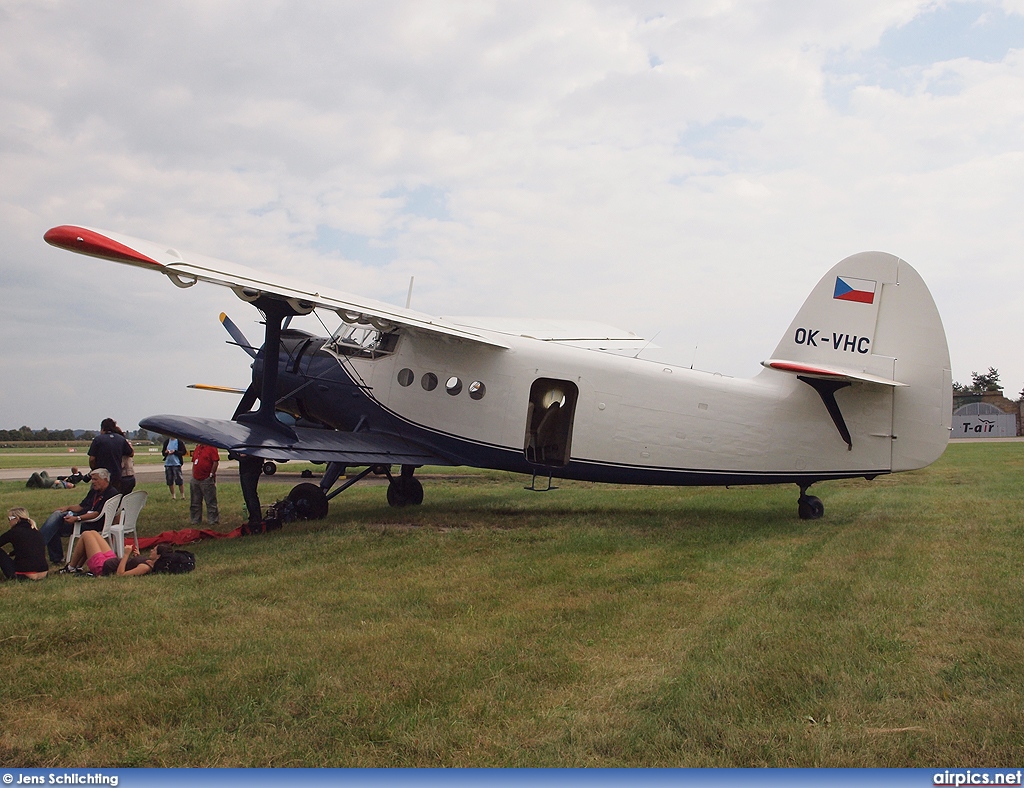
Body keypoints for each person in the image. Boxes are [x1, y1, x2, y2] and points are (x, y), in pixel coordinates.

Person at [38, 468, 120, 565]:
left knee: (53, 527)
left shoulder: (111, 493)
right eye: (92, 479)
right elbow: (81, 507)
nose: (93, 482)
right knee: (57, 515)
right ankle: (52, 555)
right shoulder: (94, 491)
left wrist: (77, 519)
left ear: (105, 479)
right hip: (82, 518)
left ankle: (37, 546)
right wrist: (67, 508)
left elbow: (97, 514)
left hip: (92, 524)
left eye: (95, 479)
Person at [60, 530, 172, 577]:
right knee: (93, 533)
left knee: (86, 535)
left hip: (102, 567)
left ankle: (71, 567)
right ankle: (76, 566)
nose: (151, 550)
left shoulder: (145, 568)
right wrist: (136, 556)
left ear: (158, 556)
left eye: (154, 550)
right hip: (110, 560)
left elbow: (121, 575)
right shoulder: (149, 562)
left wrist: (126, 555)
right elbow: (131, 565)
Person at [0, 507, 48, 581]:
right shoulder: (36, 531)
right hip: (43, 573)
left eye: (10, 519)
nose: (9, 521)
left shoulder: (14, 532)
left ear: (17, 518)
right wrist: (10, 554)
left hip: (25, 575)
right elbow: (26, 548)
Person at [88, 418, 134, 493]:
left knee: (95, 495)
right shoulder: (121, 439)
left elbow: (92, 459)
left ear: (102, 428)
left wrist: (94, 469)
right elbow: (130, 453)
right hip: (117, 474)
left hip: (101, 474)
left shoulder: (98, 439)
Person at [189, 443, 220, 525]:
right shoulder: (198, 448)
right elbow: (194, 462)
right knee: (195, 501)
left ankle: (213, 520)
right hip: (195, 478)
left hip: (206, 478)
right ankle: (195, 520)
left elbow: (215, 462)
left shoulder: (211, 447)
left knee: (210, 501)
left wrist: (211, 474)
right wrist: (193, 474)